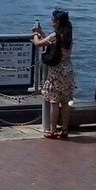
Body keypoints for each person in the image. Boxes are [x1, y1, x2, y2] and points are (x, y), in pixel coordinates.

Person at [31, 9, 75, 139]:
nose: (52, 22)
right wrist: (42, 33)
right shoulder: (68, 35)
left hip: (56, 71)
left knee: (54, 101)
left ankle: (53, 130)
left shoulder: (55, 36)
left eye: (53, 20)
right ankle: (65, 129)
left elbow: (38, 44)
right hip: (67, 70)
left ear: (58, 22)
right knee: (65, 102)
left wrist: (35, 34)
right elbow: (51, 42)